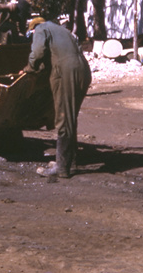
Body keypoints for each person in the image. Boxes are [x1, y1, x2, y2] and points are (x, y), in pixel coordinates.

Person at [22, 17, 91, 178]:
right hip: (83, 70)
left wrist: (29, 67)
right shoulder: (61, 30)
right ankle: (69, 162)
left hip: (67, 72)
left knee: (62, 118)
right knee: (70, 117)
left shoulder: (40, 29)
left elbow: (38, 52)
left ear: (33, 29)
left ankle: (61, 168)